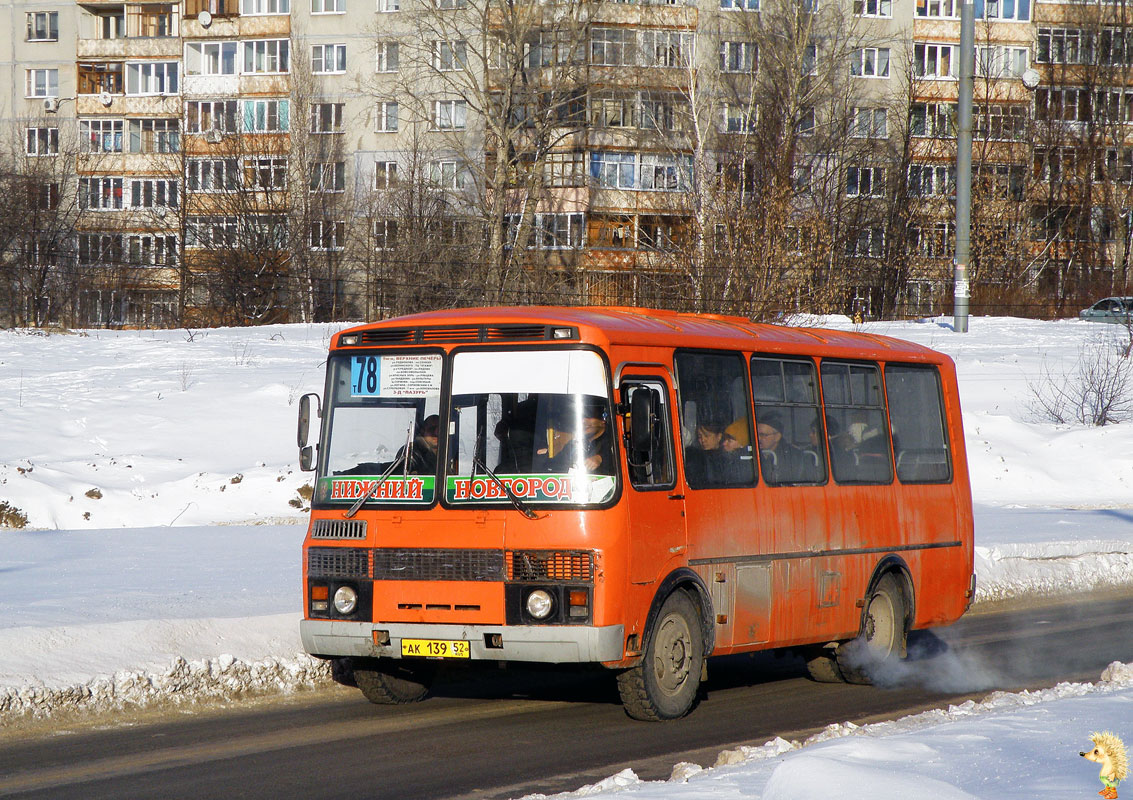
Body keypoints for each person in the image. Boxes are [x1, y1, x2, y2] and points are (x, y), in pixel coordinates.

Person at [540, 399, 614, 475]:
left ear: (603, 420)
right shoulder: (575, 443)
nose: (583, 421)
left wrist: (600, 459)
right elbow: (555, 464)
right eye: (580, 418)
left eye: (589, 417)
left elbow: (619, 459)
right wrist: (546, 454)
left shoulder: (614, 439)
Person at [756, 412, 818, 484]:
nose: (758, 438)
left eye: (763, 435)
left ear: (777, 437)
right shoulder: (748, 454)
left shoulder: (794, 457)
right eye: (756, 434)